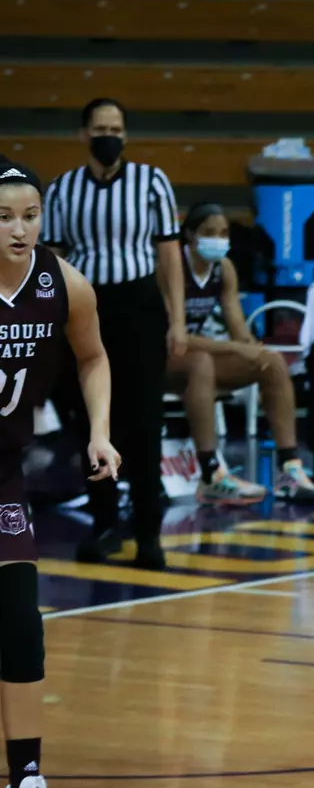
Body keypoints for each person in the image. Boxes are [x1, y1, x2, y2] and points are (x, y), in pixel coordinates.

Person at [0, 158, 121, 788]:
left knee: (20, 626)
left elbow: (93, 357)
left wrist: (99, 433)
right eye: (5, 217)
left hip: (2, 475)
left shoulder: (63, 283)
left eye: (31, 215)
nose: (21, 229)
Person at [43, 98, 186, 570]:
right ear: (83, 134)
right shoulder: (63, 191)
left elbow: (168, 256)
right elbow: (55, 259)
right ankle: (104, 527)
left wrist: (177, 319)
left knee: (145, 423)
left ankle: (148, 534)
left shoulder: (153, 182)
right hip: (84, 307)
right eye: (101, 127)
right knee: (90, 421)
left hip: (140, 308)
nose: (110, 136)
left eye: (117, 128)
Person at [165, 202, 314, 505]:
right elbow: (175, 339)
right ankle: (211, 474)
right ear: (190, 236)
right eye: (209, 232)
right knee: (201, 362)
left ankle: (289, 468)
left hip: (197, 358)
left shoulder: (224, 269)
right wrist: (235, 348)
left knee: (272, 362)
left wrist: (253, 349)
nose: (218, 239)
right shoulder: (171, 267)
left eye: (223, 233)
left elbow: (238, 328)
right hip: (157, 357)